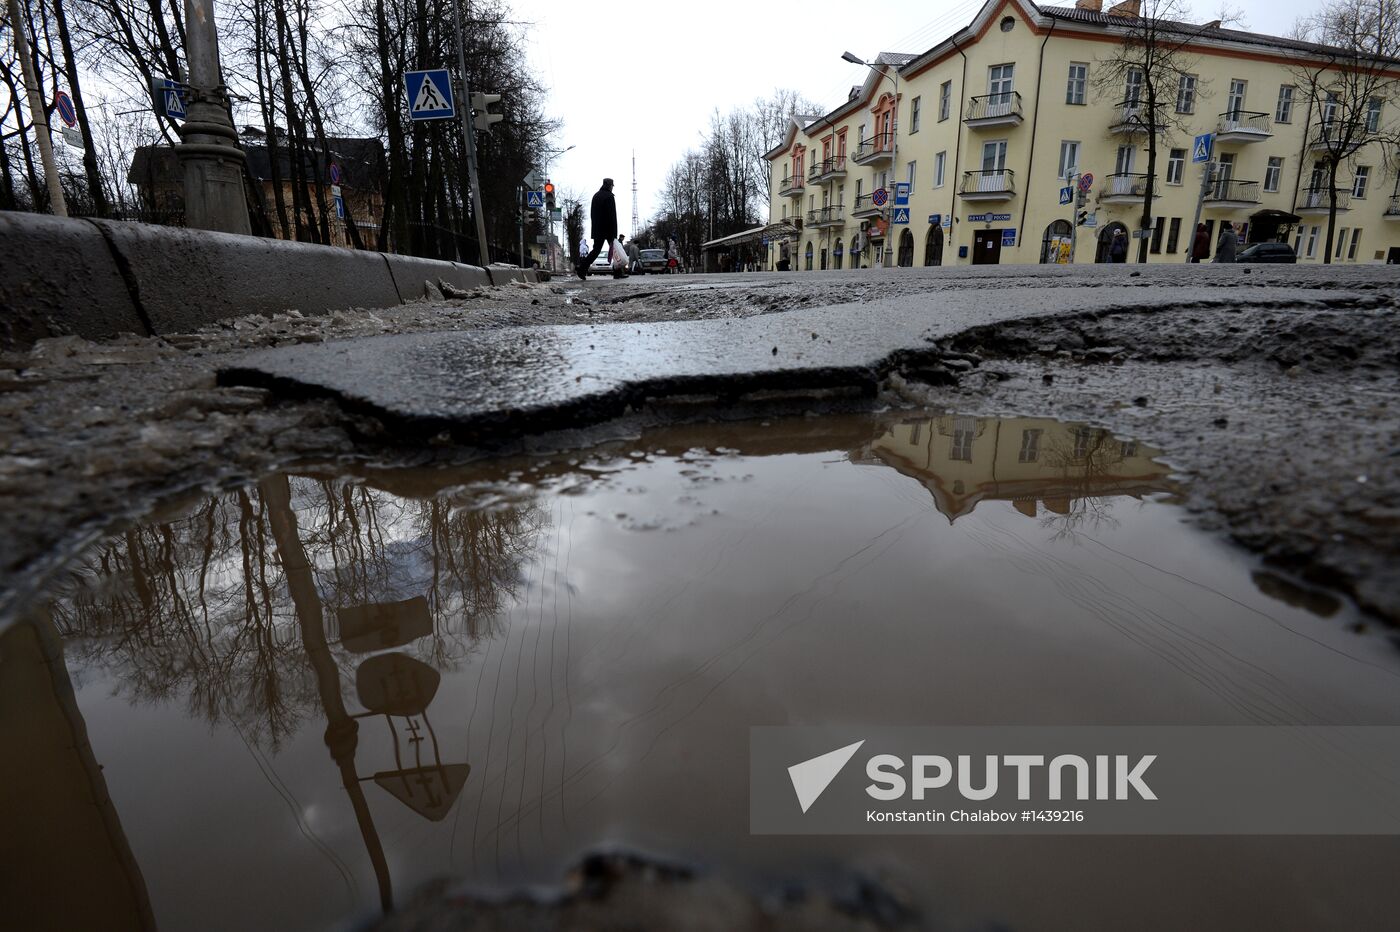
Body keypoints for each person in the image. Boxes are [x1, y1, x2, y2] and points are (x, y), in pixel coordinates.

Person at [577, 178, 618, 279]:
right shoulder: (609, 196)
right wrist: (614, 232)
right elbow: (612, 216)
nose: (612, 187)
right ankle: (618, 272)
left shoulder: (596, 195)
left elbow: (593, 214)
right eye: (612, 186)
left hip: (598, 229)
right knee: (615, 250)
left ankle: (582, 269)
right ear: (610, 185)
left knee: (596, 250)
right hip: (608, 229)